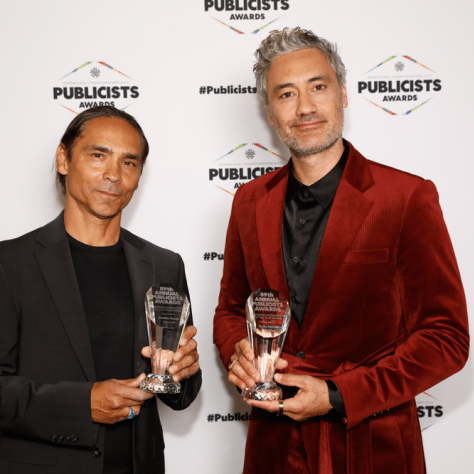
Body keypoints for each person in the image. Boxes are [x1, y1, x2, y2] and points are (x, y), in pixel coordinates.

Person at [213, 27, 469, 474]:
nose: (306, 107)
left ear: (343, 94)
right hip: (273, 450)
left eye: (318, 87)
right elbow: (232, 309)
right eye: (286, 94)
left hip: (372, 448)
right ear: (270, 113)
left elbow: (446, 338)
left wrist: (337, 395)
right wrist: (240, 351)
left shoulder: (405, 197)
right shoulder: (249, 201)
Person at [0, 106, 201, 473]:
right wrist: (82, 404)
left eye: (129, 163)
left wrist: (182, 373)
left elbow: (181, 393)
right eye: (98, 156)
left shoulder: (164, 265)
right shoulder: (9, 264)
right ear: (64, 159)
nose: (113, 175)